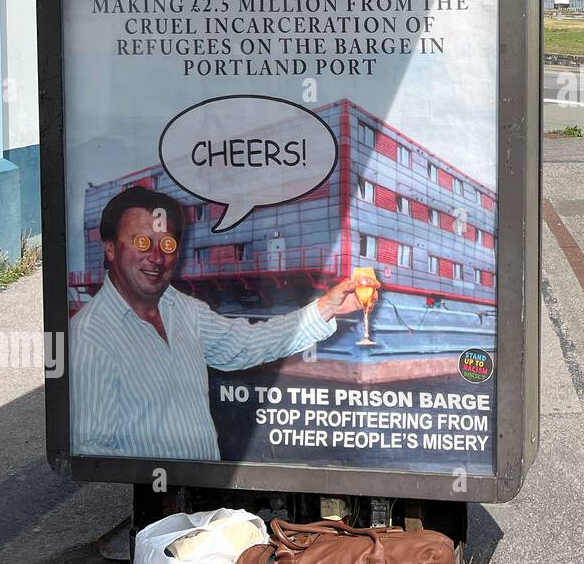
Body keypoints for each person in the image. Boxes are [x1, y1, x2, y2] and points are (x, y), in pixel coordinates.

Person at [70, 185, 367, 461]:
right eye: (143, 242)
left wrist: (326, 307)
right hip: (156, 505)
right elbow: (93, 451)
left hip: (200, 501)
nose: (157, 257)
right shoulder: (90, 335)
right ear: (110, 249)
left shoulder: (184, 310)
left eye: (168, 244)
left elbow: (246, 344)